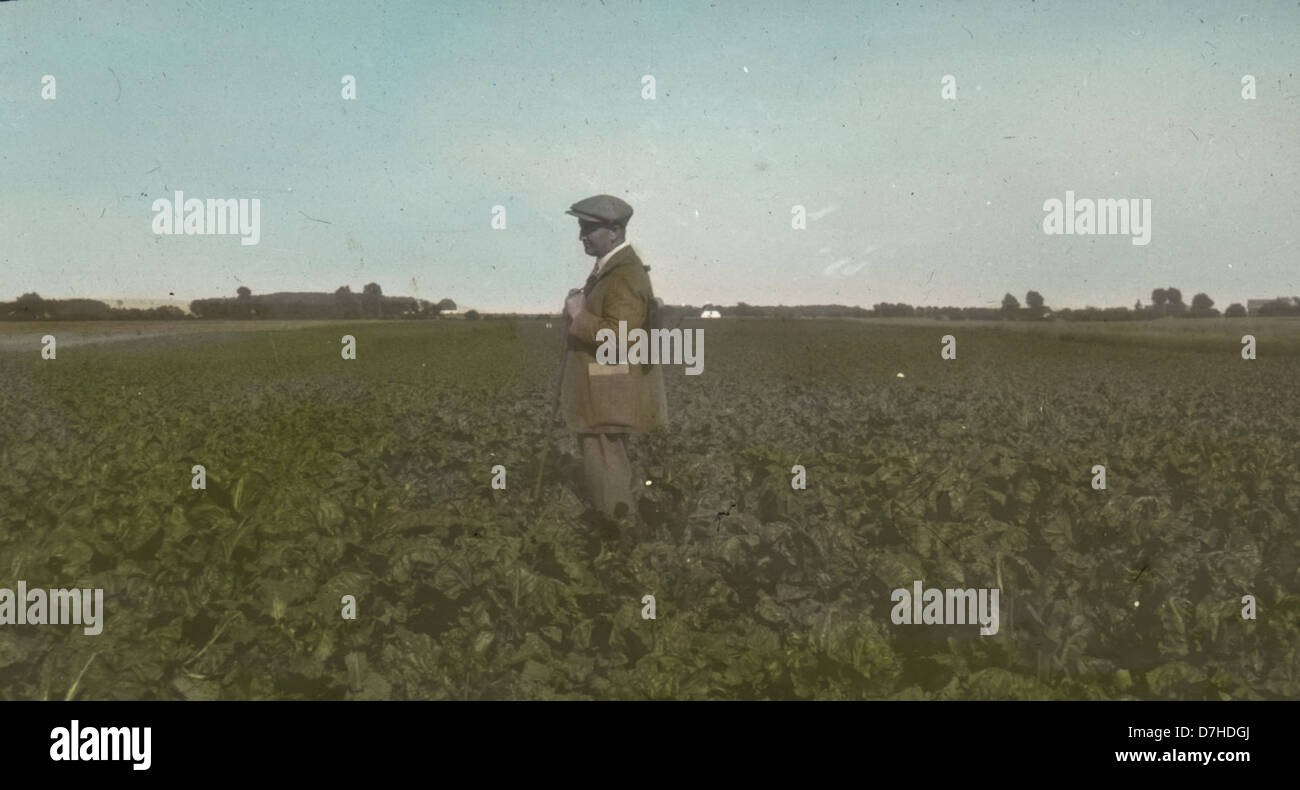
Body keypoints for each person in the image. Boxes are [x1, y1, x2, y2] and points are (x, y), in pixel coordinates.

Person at [559, 194, 667, 528]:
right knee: (607, 467)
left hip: (608, 392)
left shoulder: (624, 274)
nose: (582, 236)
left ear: (615, 231)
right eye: (581, 227)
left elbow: (620, 338)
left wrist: (578, 316)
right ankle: (619, 536)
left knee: (607, 470)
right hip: (605, 388)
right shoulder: (612, 269)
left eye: (589, 228)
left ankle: (618, 545)